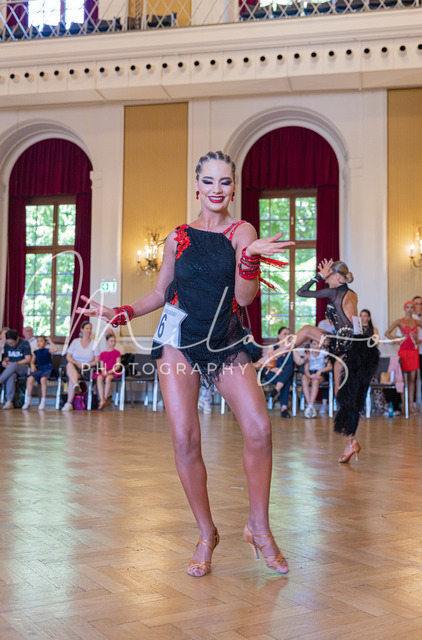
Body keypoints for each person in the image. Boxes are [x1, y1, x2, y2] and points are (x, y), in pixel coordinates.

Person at [77, 150, 293, 577]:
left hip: (224, 339)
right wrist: (122, 312)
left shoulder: (241, 231)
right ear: (196, 186)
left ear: (234, 187)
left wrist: (249, 257)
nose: (217, 189)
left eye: (225, 181)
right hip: (177, 341)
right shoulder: (177, 236)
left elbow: (245, 297)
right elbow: (161, 292)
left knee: (259, 429)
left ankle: (258, 527)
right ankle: (206, 533)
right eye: (208, 181)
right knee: (184, 439)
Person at [272, 259, 379, 463]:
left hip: (347, 347)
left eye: (328, 276)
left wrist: (317, 277)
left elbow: (302, 292)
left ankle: (351, 442)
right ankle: (351, 442)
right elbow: (351, 324)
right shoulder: (352, 293)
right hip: (348, 345)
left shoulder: (336, 292)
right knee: (344, 395)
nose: (325, 279)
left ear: (337, 277)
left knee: (345, 396)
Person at [385, 301, 422, 415]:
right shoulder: (399, 321)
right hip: (403, 352)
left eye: (412, 307)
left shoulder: (417, 322)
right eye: (408, 307)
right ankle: (404, 405)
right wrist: (396, 340)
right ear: (404, 308)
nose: (410, 309)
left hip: (414, 352)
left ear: (414, 309)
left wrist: (421, 340)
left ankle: (411, 405)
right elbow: (387, 333)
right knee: (402, 379)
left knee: (412, 379)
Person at [255, 327, 296, 418]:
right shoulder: (272, 347)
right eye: (285, 334)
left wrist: (306, 358)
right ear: (279, 336)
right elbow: (266, 362)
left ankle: (276, 390)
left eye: (289, 334)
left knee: (289, 368)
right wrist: (275, 369)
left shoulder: (291, 348)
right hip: (272, 374)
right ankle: (284, 409)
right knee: (286, 379)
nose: (287, 336)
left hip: (284, 375)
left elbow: (300, 362)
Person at [63, 321, 100, 411]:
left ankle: (69, 403)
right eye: (87, 328)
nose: (89, 330)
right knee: (69, 365)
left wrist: (85, 364)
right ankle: (76, 385)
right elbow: (68, 356)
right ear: (81, 330)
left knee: (72, 378)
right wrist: (76, 363)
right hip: (75, 366)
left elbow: (96, 360)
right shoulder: (75, 342)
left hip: (88, 368)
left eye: (90, 329)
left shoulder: (94, 343)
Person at [22, 336, 58, 410]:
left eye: (41, 341)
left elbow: (56, 349)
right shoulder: (36, 352)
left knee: (43, 379)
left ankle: (43, 400)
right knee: (29, 379)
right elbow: (32, 361)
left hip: (48, 369)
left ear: (45, 343)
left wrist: (50, 341)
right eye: (38, 341)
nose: (39, 343)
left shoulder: (47, 350)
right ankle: (28, 400)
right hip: (40, 369)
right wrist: (32, 365)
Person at [0, 329, 31, 409]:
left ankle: (0, 380)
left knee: (14, 365)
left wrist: (14, 364)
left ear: (17, 338)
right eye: (9, 343)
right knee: (12, 375)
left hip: (23, 368)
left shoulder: (24, 343)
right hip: (12, 369)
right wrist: (5, 362)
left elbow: (28, 359)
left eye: (13, 343)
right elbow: (6, 358)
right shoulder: (7, 345)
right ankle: (9, 401)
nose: (11, 345)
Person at [302, 338, 332, 418]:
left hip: (321, 373)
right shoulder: (308, 353)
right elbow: (306, 369)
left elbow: (330, 366)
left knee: (315, 381)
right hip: (310, 373)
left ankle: (310, 405)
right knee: (304, 378)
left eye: (318, 344)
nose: (317, 346)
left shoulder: (324, 353)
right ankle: (310, 405)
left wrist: (320, 371)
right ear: (311, 345)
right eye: (314, 344)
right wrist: (310, 375)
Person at [93, 333, 122, 410]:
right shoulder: (102, 354)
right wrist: (104, 371)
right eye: (111, 341)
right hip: (105, 372)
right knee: (99, 378)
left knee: (108, 378)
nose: (113, 343)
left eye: (114, 341)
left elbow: (118, 366)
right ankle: (102, 399)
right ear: (107, 342)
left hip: (113, 372)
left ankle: (104, 399)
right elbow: (102, 366)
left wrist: (109, 371)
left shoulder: (117, 352)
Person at [412, 296, 422, 412]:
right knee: (413, 377)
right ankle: (411, 403)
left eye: (420, 303)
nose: (419, 306)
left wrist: (421, 316)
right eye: (416, 303)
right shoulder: (410, 317)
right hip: (413, 351)